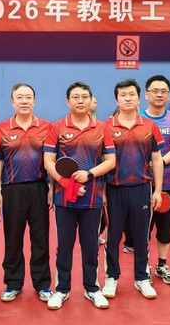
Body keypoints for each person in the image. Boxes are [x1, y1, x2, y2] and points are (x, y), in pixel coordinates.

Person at [43, 81, 116, 310]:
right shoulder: (56, 127)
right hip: (64, 198)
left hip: (92, 197)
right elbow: (48, 161)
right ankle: (62, 289)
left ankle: (91, 288)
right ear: (68, 102)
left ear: (91, 100)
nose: (80, 100)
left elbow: (111, 161)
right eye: (75, 97)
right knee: (64, 246)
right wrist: (65, 183)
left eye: (85, 96)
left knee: (91, 246)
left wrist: (89, 174)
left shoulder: (102, 128)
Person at [102, 79, 164, 300]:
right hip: (114, 189)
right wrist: (102, 192)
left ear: (139, 98)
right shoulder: (106, 126)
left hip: (142, 189)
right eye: (123, 95)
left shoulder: (149, 126)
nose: (127, 98)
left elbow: (157, 158)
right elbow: (101, 160)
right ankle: (111, 277)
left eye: (131, 94)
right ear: (116, 99)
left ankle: (142, 278)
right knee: (113, 237)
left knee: (141, 236)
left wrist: (158, 190)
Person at [0, 83, 52, 303]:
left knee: (40, 239)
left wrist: (52, 189)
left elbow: (52, 161)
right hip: (12, 190)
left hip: (39, 188)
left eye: (28, 97)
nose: (24, 101)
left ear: (34, 101)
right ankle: (13, 283)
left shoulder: (46, 127)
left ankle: (42, 284)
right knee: (13, 239)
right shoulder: (2, 128)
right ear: (12, 102)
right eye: (19, 97)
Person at [140, 74, 170, 285]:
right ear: (146, 94)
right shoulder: (138, 118)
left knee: (165, 228)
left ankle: (162, 264)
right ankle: (144, 266)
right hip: (141, 184)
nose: (159, 95)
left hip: (169, 183)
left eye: (163, 91)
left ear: (168, 95)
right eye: (155, 91)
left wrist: (160, 162)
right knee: (142, 229)